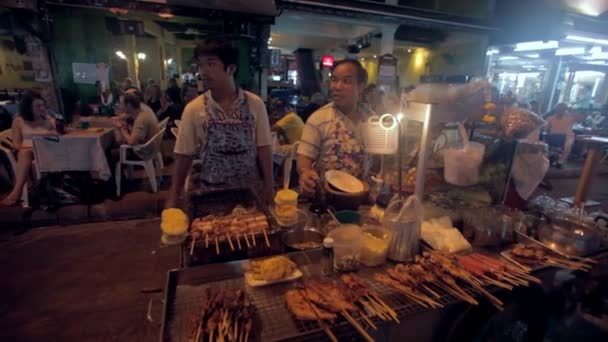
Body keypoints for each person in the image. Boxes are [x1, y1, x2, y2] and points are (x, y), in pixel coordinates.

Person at [167, 38, 273, 208]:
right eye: (200, 65)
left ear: (231, 68)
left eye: (211, 64)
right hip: (210, 196)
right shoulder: (193, 109)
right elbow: (183, 155)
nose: (203, 71)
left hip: (250, 194)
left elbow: (264, 147)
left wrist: (269, 186)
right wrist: (174, 194)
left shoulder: (255, 103)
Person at [297, 59, 373, 195]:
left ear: (361, 86)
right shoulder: (319, 119)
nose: (337, 86)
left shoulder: (372, 119)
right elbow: (304, 157)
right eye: (334, 80)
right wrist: (305, 173)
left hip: (362, 197)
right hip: (327, 198)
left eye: (346, 81)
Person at [1, 90, 56, 206]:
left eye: (43, 105)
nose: (41, 108)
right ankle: (17, 192)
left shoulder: (48, 120)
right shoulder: (19, 121)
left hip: (48, 152)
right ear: (28, 107)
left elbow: (58, 137)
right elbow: (16, 143)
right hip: (28, 153)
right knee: (25, 153)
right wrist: (30, 146)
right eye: (37, 106)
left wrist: (50, 120)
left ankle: (18, 192)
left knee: (25, 153)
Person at [112, 90, 159, 159]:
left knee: (110, 154)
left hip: (143, 152)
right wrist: (119, 118)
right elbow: (127, 114)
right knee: (115, 144)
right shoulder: (142, 109)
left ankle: (125, 168)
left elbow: (132, 142)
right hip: (151, 147)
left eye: (121, 104)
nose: (120, 106)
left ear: (128, 105)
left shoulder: (140, 119)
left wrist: (121, 128)